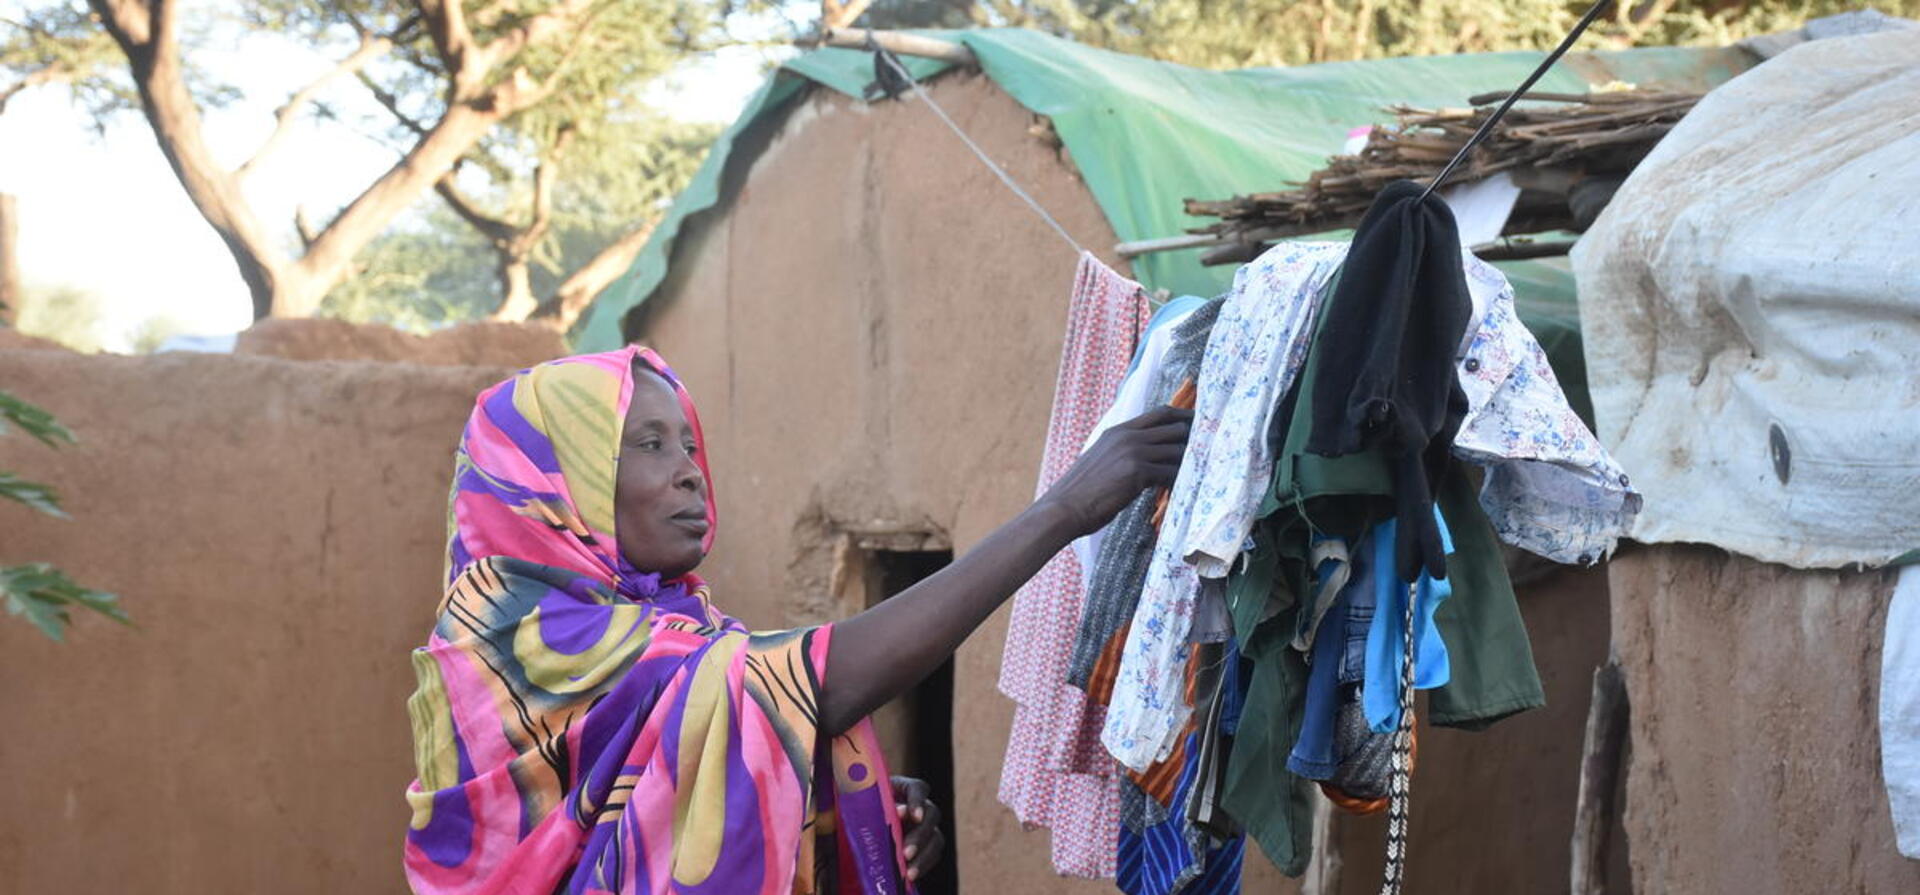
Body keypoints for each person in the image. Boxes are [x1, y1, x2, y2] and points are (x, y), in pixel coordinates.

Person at [402, 346, 1190, 894]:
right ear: (554, 478)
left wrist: (847, 799)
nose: (688, 469)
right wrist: (1064, 509)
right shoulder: (513, 638)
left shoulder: (677, 625)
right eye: (647, 443)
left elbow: (708, 755)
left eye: (686, 441)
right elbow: (819, 680)